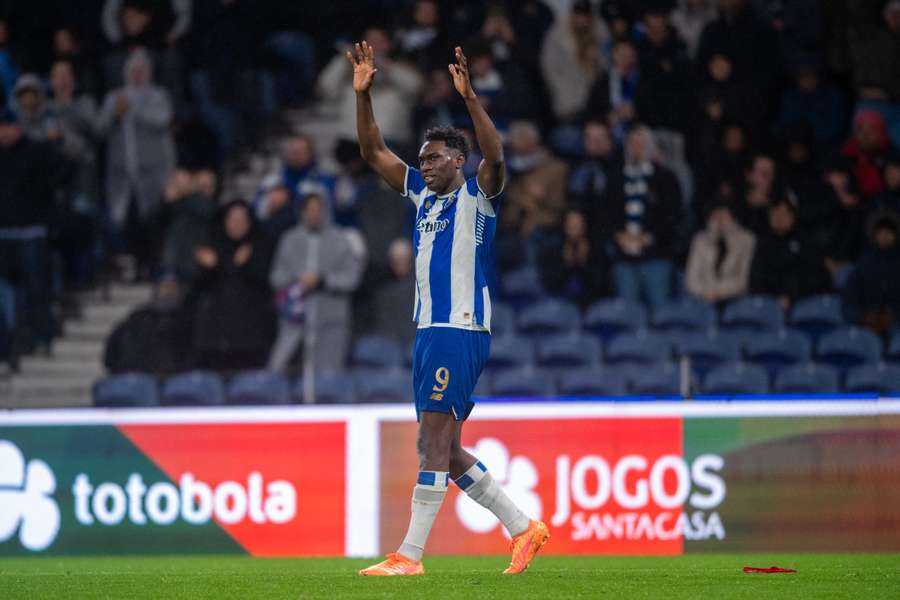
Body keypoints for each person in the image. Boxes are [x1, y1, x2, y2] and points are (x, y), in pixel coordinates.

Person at [349, 41, 548, 576]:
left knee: (433, 442)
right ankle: (524, 528)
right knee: (445, 447)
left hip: (459, 328)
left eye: (434, 158)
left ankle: (409, 557)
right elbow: (372, 152)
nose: (425, 166)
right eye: (422, 160)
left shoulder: (478, 197)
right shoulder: (421, 197)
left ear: (459, 160)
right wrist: (363, 97)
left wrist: (471, 99)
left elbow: (498, 156)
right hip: (429, 330)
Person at [266, 193, 364, 372]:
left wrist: (322, 280)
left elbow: (352, 279)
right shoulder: (289, 239)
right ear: (302, 212)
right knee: (276, 369)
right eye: (309, 210)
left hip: (331, 321)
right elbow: (276, 277)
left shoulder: (340, 239)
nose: (314, 215)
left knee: (328, 378)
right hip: (293, 321)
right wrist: (298, 279)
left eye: (318, 210)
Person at [603, 126, 682, 310]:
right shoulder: (615, 179)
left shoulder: (666, 178)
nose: (637, 148)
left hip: (657, 257)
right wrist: (618, 235)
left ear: (651, 147)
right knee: (626, 312)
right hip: (624, 258)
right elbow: (605, 214)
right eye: (632, 143)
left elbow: (673, 215)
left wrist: (649, 237)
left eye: (641, 144)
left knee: (659, 311)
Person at [192, 200, 276, 372]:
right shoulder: (212, 247)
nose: (237, 224)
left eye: (242, 220)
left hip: (251, 339)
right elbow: (198, 287)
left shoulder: (260, 246)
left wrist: (240, 265)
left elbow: (265, 281)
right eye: (233, 219)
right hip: (215, 339)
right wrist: (220, 266)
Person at [685, 203, 756, 305]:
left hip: (735, 299)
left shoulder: (747, 239)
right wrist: (706, 292)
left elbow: (744, 280)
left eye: (723, 215)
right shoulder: (700, 240)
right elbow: (691, 279)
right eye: (715, 215)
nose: (719, 220)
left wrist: (717, 292)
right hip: (704, 298)